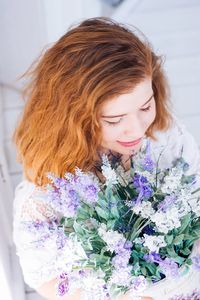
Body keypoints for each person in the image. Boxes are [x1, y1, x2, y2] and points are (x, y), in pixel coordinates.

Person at [12, 17, 200, 300]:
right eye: (114, 119)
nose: (137, 129)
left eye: (145, 106)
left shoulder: (165, 138)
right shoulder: (47, 192)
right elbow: (45, 277)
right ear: (73, 118)